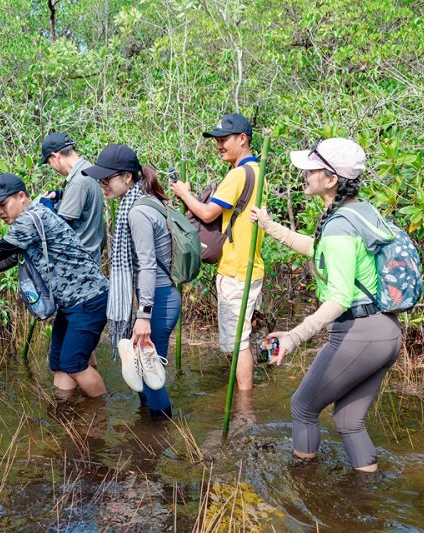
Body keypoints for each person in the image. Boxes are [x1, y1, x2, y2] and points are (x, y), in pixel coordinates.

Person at [249, 137, 402, 472]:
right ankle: (366, 499)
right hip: (384, 331)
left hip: (359, 333)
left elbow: (339, 297)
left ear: (331, 179)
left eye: (311, 169)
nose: (304, 174)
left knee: (303, 406)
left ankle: (304, 490)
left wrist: (292, 337)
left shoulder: (340, 227)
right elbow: (319, 248)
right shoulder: (360, 211)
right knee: (349, 421)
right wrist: (270, 226)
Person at [0, 173, 109, 398]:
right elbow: (6, 261)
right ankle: (65, 413)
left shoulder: (31, 219)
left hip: (88, 299)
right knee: (58, 362)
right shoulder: (30, 220)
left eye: (3, 204)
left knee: (73, 362)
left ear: (22, 196)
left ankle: (101, 414)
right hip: (71, 303)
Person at [169, 113, 264, 391]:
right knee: (241, 338)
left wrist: (185, 193)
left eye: (224, 139)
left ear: (242, 139)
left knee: (238, 342)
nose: (219, 145)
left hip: (236, 269)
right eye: (218, 140)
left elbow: (209, 214)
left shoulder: (238, 174)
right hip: (249, 266)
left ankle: (244, 404)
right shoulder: (257, 171)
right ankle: (245, 400)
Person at [83, 144, 177, 420]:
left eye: (107, 179)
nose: (102, 185)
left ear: (127, 177)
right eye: (100, 179)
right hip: (160, 297)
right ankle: (150, 432)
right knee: (142, 374)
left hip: (157, 301)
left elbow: (147, 265)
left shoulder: (136, 212)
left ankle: (160, 436)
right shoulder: (144, 200)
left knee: (151, 378)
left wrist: (143, 315)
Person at [40, 132, 106, 265]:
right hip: (91, 258)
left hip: (80, 264)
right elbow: (84, 203)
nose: (52, 168)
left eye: (49, 163)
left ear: (55, 156)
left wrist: (46, 205)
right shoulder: (87, 168)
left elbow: (60, 226)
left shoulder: (78, 181)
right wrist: (60, 196)